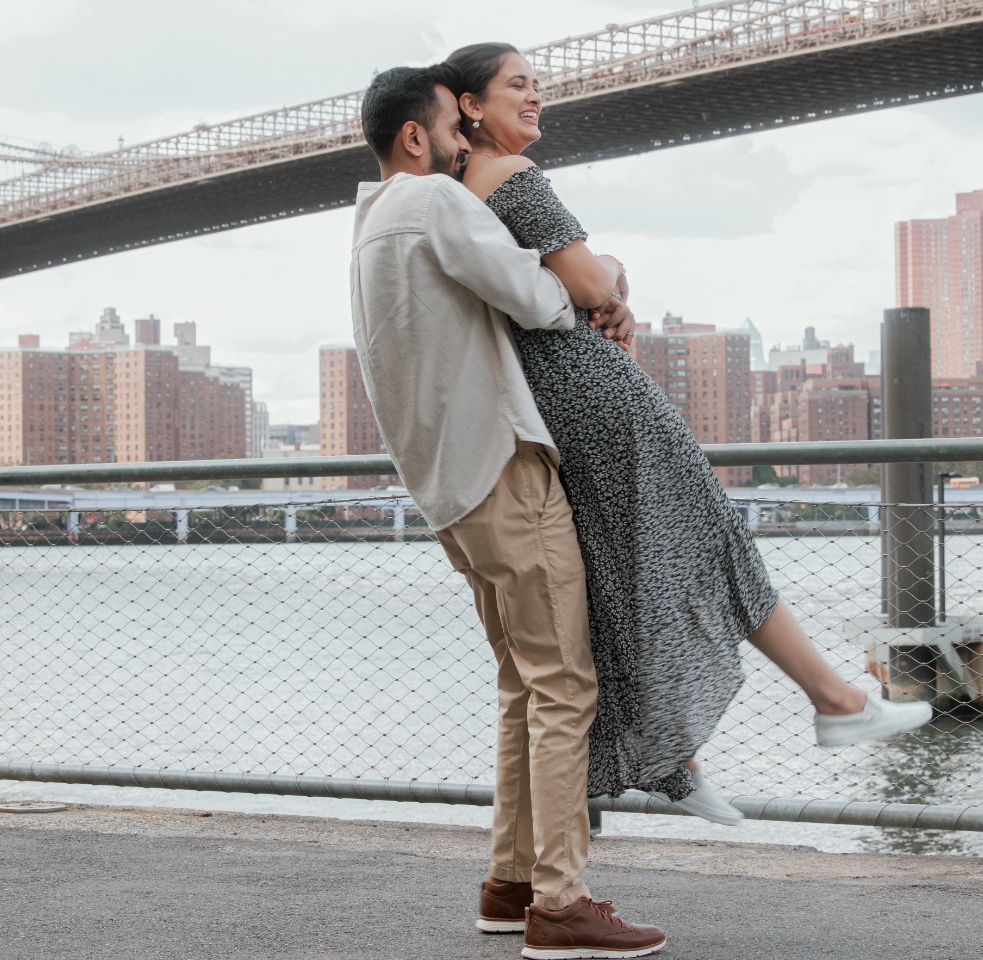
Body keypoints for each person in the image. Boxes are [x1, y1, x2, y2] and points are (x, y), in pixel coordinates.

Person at [443, 41, 933, 827]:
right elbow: (593, 283)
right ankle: (834, 701)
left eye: (539, 86)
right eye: (516, 87)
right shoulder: (515, 178)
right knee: (712, 541)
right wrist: (613, 269)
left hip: (553, 404)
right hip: (599, 394)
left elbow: (572, 286)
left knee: (615, 577)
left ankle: (679, 762)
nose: (535, 99)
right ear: (469, 106)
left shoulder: (464, 190)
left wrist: (606, 277)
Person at [350, 63, 668, 959]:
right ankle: (562, 905)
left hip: (445, 487)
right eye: (457, 128)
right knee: (566, 685)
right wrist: (606, 277)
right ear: (417, 137)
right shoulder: (437, 204)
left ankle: (511, 882)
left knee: (521, 683)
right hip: (502, 473)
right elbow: (542, 297)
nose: (467, 146)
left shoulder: (369, 224)